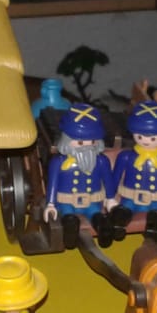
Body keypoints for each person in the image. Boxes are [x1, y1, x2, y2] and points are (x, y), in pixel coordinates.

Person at [43, 103, 115, 248]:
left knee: (97, 215)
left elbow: (108, 180)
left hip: (92, 201)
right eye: (80, 142)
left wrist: (110, 198)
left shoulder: (101, 161)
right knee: (69, 217)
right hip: (66, 201)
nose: (86, 145)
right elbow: (53, 184)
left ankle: (104, 230)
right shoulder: (59, 162)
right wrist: (50, 204)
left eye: (92, 141)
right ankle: (70, 233)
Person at [110, 99, 157, 229]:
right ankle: (118, 228)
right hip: (129, 199)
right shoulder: (126, 156)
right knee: (121, 216)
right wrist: (110, 197)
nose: (146, 141)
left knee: (156, 219)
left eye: (152, 138)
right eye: (140, 136)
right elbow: (115, 178)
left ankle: (154, 232)